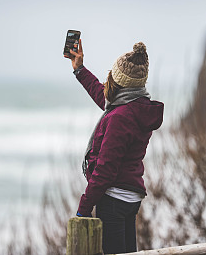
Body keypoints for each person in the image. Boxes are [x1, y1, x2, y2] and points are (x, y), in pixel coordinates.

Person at [65, 39, 164, 254]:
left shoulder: (120, 117)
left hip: (114, 200)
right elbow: (104, 97)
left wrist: (83, 209)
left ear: (119, 81)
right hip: (130, 196)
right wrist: (79, 69)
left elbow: (105, 169)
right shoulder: (136, 106)